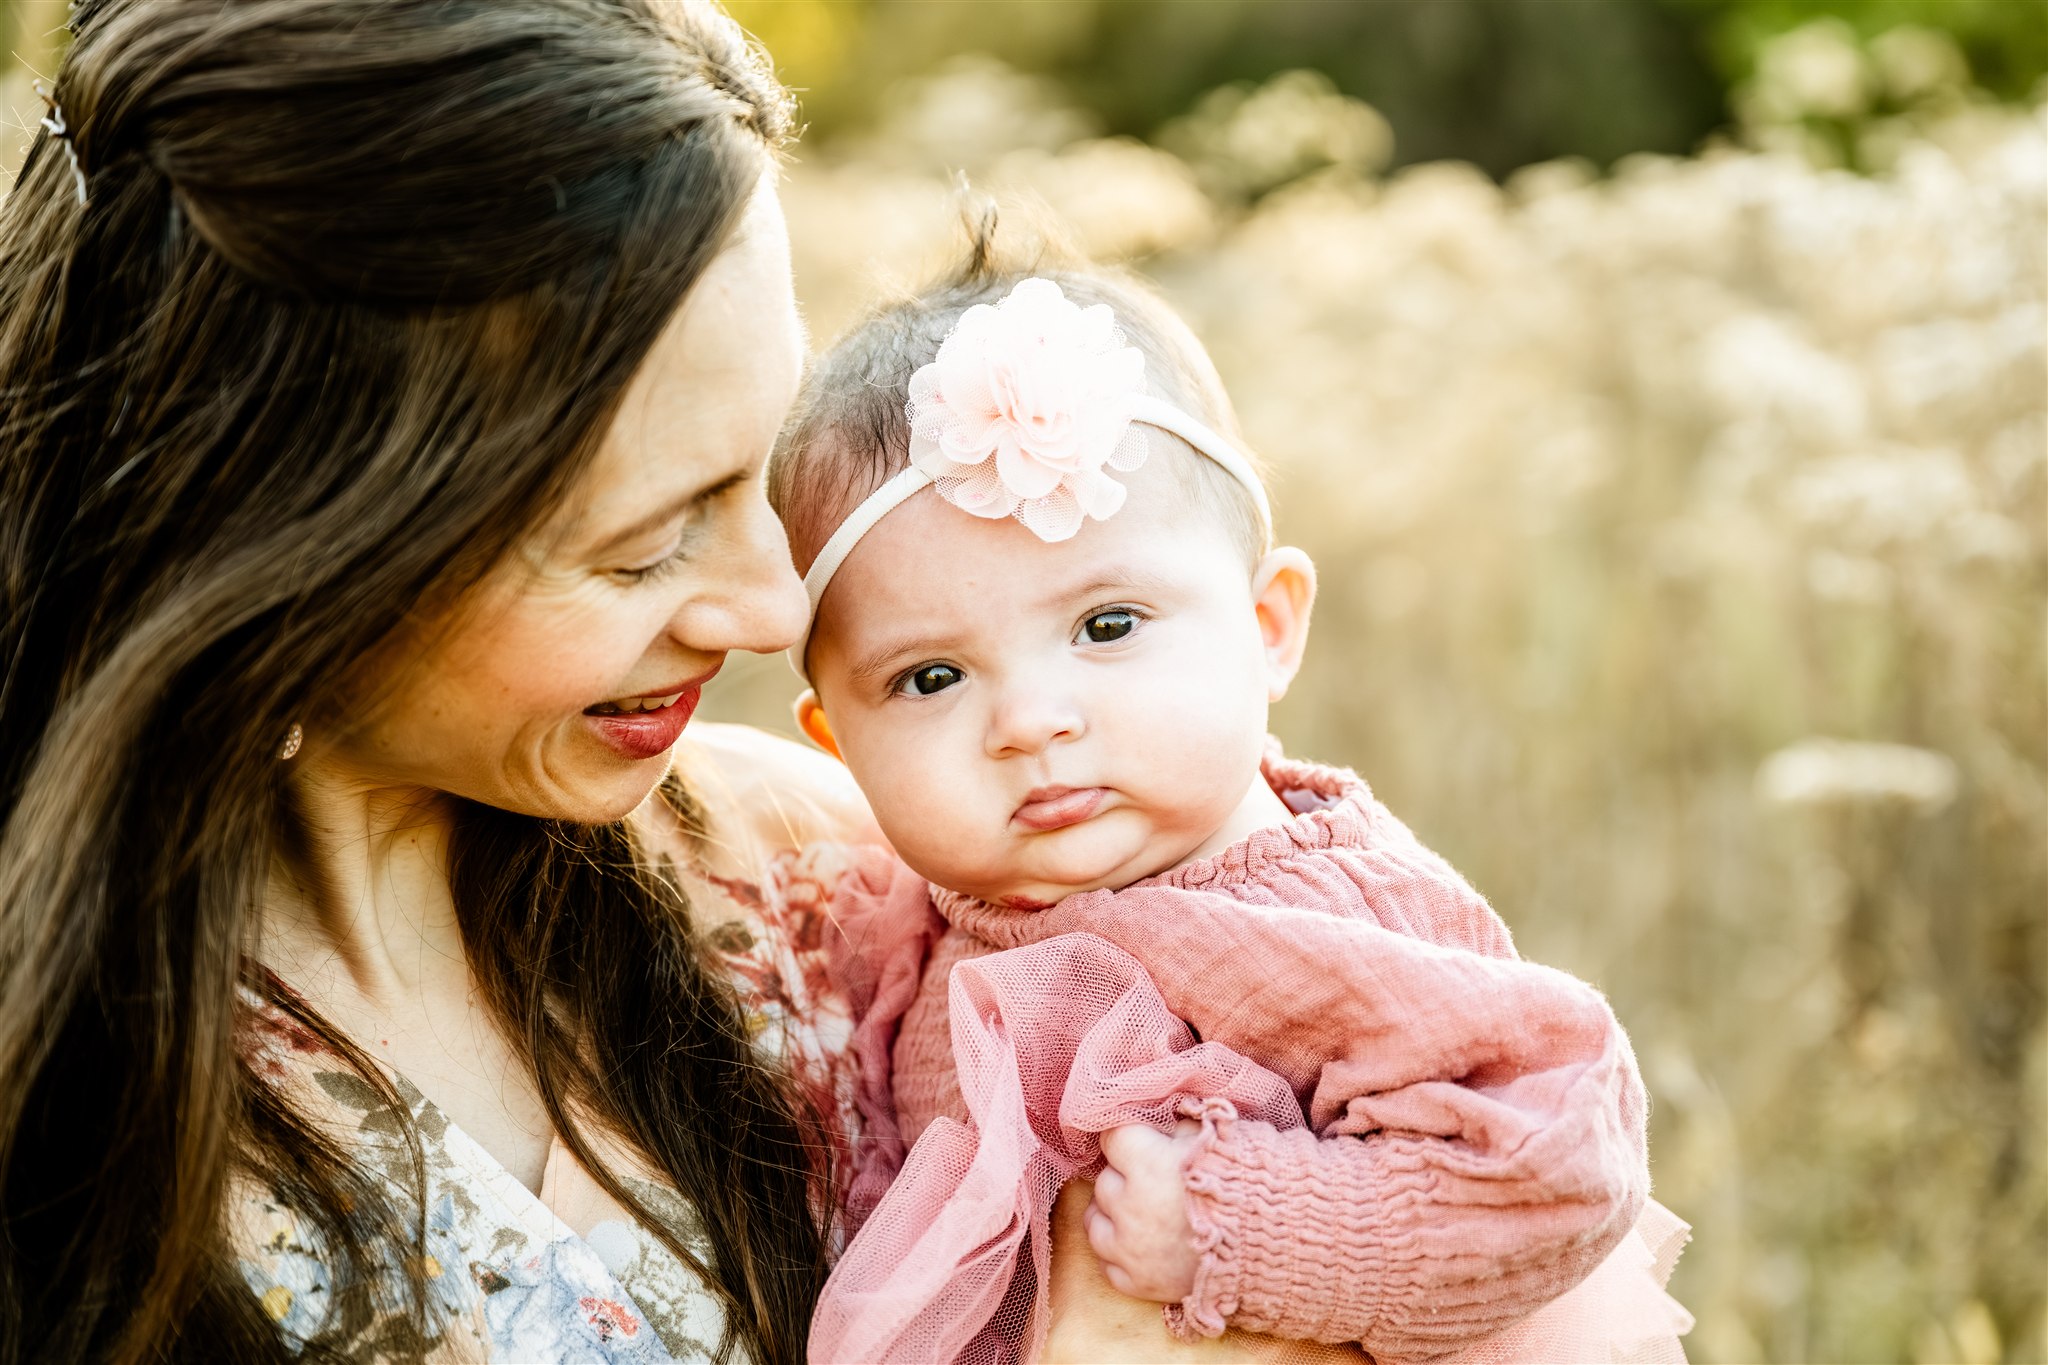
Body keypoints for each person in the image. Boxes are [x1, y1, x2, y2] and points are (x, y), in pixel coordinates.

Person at [0, 2, 901, 1361]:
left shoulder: (825, 882)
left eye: (764, 467)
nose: (777, 607)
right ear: (294, 542)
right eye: (643, 548)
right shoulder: (53, 1122)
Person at [770, 249, 1695, 1363]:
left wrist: (1233, 1225)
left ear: (1266, 628)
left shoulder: (1315, 911)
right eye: (930, 678)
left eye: (1106, 625)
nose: (1029, 720)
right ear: (835, 738)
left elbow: (1554, 1165)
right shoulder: (919, 923)